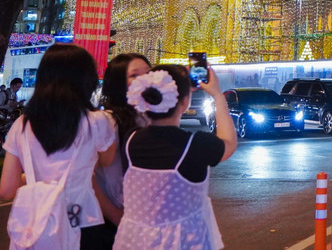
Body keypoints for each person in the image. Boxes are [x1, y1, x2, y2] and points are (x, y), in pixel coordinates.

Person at [0, 44, 118, 249]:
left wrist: (36, 176)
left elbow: (7, 190)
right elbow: (106, 161)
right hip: (82, 220)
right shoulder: (99, 122)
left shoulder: (22, 125)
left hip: (35, 227)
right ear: (86, 80)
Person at [113, 64, 237, 250]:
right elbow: (229, 142)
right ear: (185, 102)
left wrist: (179, 89)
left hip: (135, 241)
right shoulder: (195, 145)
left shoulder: (131, 139)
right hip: (183, 241)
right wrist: (217, 95)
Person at [87, 53, 151, 248]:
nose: (145, 80)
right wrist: (117, 217)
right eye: (134, 75)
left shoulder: (149, 118)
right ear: (118, 83)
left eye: (148, 73)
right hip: (111, 222)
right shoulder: (105, 121)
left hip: (144, 218)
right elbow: (87, 177)